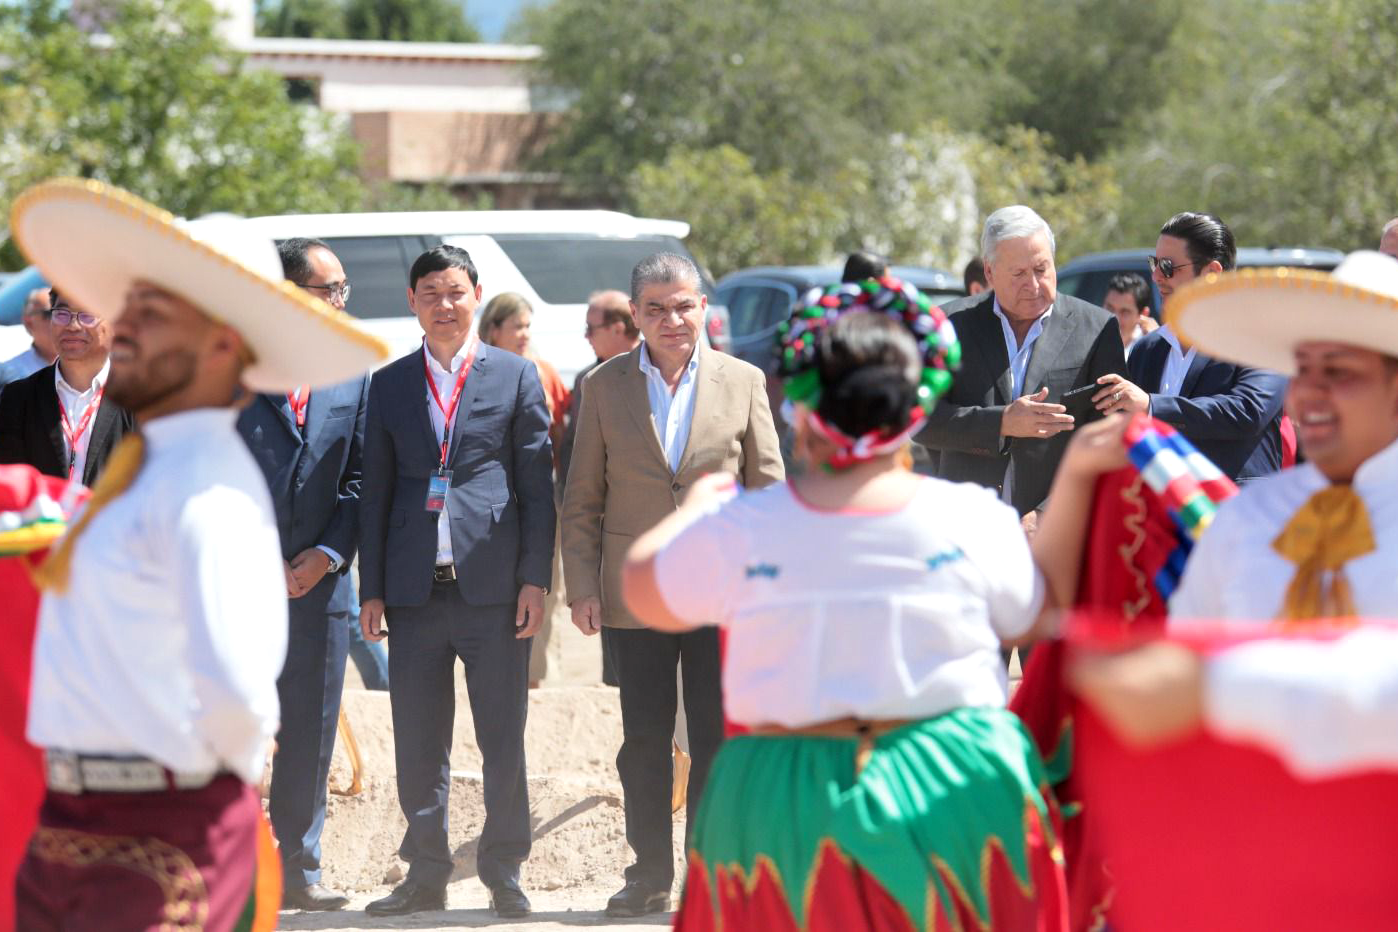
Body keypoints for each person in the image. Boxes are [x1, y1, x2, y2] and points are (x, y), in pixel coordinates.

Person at [620, 278, 1133, 930]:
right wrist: (1080, 478)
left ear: (801, 407)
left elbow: (645, 592)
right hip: (955, 786)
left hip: (786, 797)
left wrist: (694, 513)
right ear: (915, 409)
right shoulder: (973, 519)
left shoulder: (745, 527)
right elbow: (1037, 615)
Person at [13, 178, 388, 931]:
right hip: (84, 821)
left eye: (153, 316)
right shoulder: (157, 467)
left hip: (162, 828)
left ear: (221, 345)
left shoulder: (206, 490)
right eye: (132, 311)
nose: (127, 330)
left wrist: (196, 807)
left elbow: (239, 702)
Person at [561, 252, 784, 918]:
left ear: (703, 308)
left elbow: (768, 487)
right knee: (644, 741)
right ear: (635, 316)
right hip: (637, 594)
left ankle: (710, 873)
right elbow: (581, 498)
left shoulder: (742, 381)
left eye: (682, 305)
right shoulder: (603, 387)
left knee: (718, 739)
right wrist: (581, 586)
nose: (671, 319)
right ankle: (649, 872)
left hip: (725, 596)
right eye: (654, 308)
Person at [358, 245, 555, 919]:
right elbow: (376, 491)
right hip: (414, 592)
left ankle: (503, 870)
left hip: (495, 588)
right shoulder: (386, 385)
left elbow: (537, 486)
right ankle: (425, 873)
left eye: (456, 291)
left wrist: (535, 579)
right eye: (431, 293)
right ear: (412, 302)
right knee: (418, 740)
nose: (445, 304)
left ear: (477, 296)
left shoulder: (515, 376)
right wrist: (372, 589)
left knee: (502, 737)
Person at [235, 237, 369, 912]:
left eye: (344, 289)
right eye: (330, 290)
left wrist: (327, 555)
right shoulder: (229, 373)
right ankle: (233, 870)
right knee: (233, 733)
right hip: (235, 590)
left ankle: (300, 870)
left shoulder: (352, 371)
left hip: (322, 590)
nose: (343, 302)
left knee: (312, 733)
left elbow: (360, 476)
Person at [917, 205, 1126, 530]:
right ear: (989, 273)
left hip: (1059, 530)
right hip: (966, 526)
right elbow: (920, 422)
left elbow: (1111, 437)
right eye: (1018, 274)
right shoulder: (948, 326)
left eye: (1042, 269)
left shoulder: (1096, 329)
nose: (1033, 284)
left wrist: (1046, 513)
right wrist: (1001, 423)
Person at [1093, 212, 1288, 482]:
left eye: (1168, 266)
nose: (1156, 276)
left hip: (1237, 515)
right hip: (1158, 517)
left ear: (1211, 273)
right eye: (1155, 263)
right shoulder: (1148, 349)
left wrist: (1152, 406)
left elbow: (1247, 411)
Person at [560, 288, 641, 689]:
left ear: (619, 327)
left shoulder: (659, 374)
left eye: (591, 328)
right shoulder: (589, 381)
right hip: (610, 545)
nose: (586, 337)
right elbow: (577, 458)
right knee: (623, 674)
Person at [0, 288, 133, 486]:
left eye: (88, 315)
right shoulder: (18, 398)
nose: (72, 325)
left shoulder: (140, 400)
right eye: (62, 314)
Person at [478, 291, 571, 455]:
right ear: (494, 330)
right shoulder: (473, 374)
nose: (526, 335)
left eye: (527, 326)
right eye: (518, 327)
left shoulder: (545, 372)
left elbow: (561, 435)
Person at [0, 288, 57, 389]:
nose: (59, 321)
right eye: (50, 314)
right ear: (29, 322)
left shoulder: (89, 367)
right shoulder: (9, 374)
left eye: (64, 314)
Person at [1103, 271, 1156, 355]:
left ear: (1143, 314)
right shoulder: (1088, 341)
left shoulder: (1149, 350)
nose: (1114, 318)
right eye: (1110, 308)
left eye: (1124, 312)